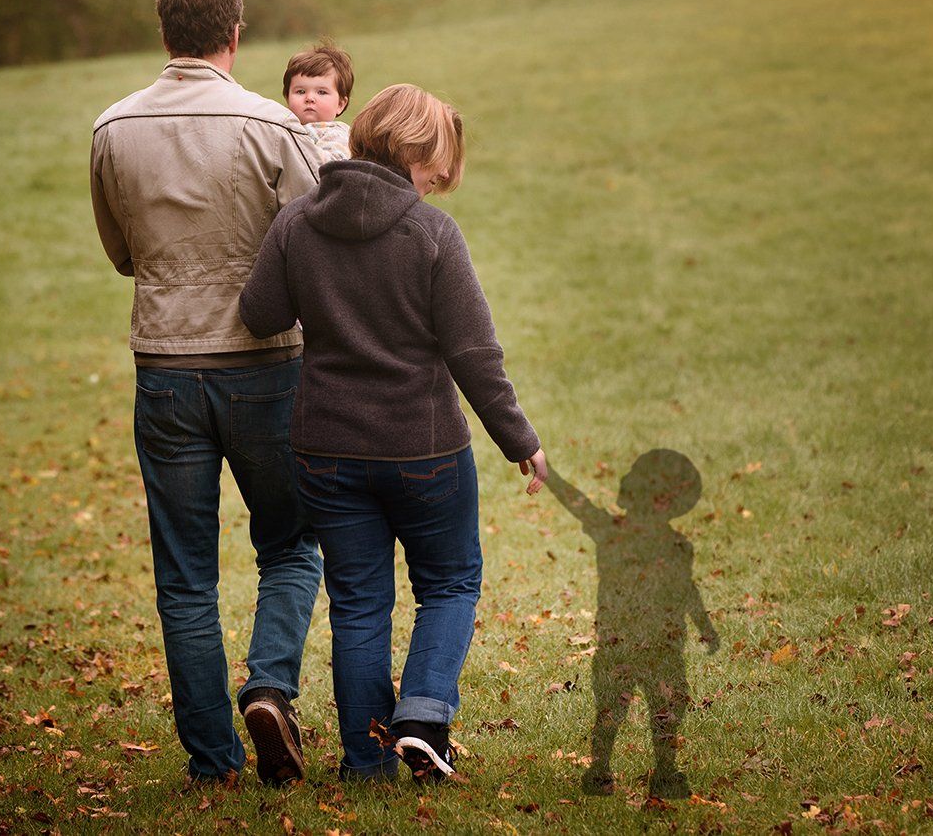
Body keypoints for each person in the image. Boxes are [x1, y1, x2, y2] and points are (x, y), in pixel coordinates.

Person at [239, 83, 549, 782]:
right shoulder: (432, 234)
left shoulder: (295, 222)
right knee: (449, 582)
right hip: (425, 448)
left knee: (357, 603)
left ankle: (366, 761)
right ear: (407, 148)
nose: (436, 185)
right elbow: (473, 352)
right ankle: (423, 716)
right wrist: (519, 438)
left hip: (325, 447)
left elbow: (259, 313)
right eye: (434, 170)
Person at [90, 0, 343, 786]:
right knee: (292, 545)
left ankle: (212, 760)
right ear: (236, 35)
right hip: (268, 367)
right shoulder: (276, 127)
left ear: (164, 33)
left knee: (185, 574)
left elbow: (123, 253)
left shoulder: (112, 128)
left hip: (165, 366)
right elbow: (317, 242)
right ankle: (269, 684)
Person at [545, 451, 719, 798]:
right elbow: (688, 590)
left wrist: (704, 625)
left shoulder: (633, 536)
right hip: (638, 644)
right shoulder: (655, 540)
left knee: (647, 708)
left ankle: (644, 772)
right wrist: (548, 473)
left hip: (642, 643)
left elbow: (686, 588)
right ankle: (610, 770)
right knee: (629, 709)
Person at [282, 44, 354, 160]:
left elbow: (331, 167)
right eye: (300, 92)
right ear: (287, 99)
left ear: (340, 104)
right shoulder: (281, 128)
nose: (309, 98)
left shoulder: (337, 134)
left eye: (321, 92)